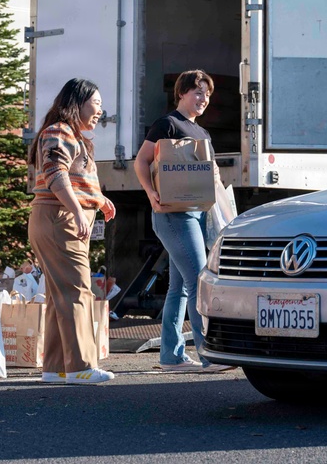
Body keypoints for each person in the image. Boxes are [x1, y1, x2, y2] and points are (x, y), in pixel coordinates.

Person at [134, 69, 233, 373]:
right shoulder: (168, 124)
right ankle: (210, 356)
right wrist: (151, 194)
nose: (203, 98)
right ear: (182, 93)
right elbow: (142, 160)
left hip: (197, 214)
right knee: (199, 282)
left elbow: (210, 174)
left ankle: (171, 355)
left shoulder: (202, 133)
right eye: (198, 92)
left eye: (207, 93)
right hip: (172, 215)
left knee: (181, 288)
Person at [28, 78, 117, 384]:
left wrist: (98, 200)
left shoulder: (67, 134)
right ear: (77, 103)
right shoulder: (59, 131)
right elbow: (55, 173)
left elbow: (72, 179)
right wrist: (78, 210)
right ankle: (81, 366)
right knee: (78, 290)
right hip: (59, 218)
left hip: (55, 217)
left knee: (59, 294)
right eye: (97, 103)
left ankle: (56, 368)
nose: (100, 112)